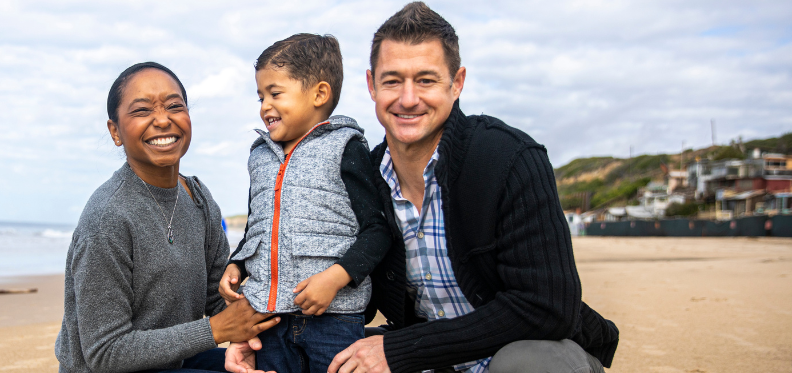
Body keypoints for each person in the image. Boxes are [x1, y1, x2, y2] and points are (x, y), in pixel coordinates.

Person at [229, 3, 620, 373]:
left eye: (426, 80)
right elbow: (329, 271)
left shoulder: (508, 158)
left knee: (528, 365)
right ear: (371, 86)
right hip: (430, 358)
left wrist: (399, 351)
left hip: (527, 353)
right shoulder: (365, 175)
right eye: (393, 81)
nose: (408, 98)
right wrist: (260, 330)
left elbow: (549, 308)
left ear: (457, 83)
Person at [55, 62, 281, 373]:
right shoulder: (107, 219)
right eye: (142, 111)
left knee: (282, 360)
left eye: (175, 106)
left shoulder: (198, 199)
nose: (163, 120)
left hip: (173, 359)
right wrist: (216, 330)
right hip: (109, 368)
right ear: (115, 132)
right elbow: (105, 352)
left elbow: (220, 300)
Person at [219, 34, 391, 373]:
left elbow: (377, 230)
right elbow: (259, 227)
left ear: (319, 94)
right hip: (268, 320)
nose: (265, 105)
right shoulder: (260, 156)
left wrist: (336, 278)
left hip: (334, 321)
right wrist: (236, 263)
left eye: (275, 93)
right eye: (261, 96)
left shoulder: (346, 147)